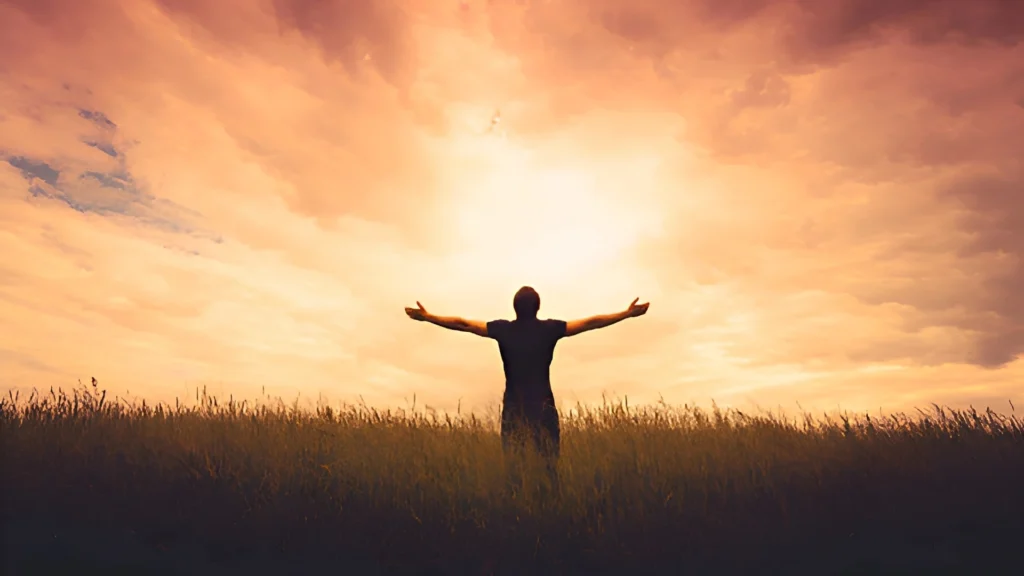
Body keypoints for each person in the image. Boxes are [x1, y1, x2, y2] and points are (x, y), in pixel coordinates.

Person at [404, 286, 650, 494]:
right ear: (538, 307)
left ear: (515, 307)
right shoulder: (550, 329)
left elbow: (464, 324)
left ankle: (517, 512)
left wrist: (429, 317)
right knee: (549, 467)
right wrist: (626, 314)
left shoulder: (504, 330)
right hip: (544, 407)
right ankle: (549, 511)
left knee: (513, 468)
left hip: (514, 408)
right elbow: (591, 323)